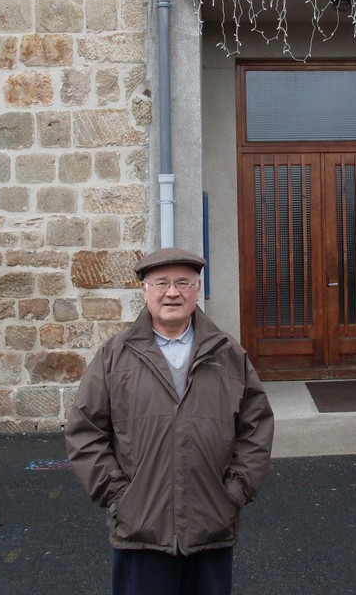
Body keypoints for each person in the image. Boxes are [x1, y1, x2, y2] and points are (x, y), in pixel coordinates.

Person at [66, 246, 274, 595]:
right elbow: (85, 431)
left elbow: (256, 428)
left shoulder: (228, 354)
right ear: (144, 290)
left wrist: (234, 493)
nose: (172, 292)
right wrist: (120, 498)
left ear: (196, 290)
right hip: (141, 531)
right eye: (161, 283)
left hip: (211, 526)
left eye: (183, 282)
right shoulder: (113, 357)